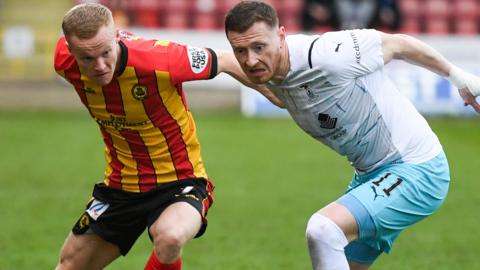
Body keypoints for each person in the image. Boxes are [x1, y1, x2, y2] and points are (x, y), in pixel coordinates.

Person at [225, 1, 480, 269]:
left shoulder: (327, 54)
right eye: (240, 50)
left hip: (417, 169)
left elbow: (398, 45)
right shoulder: (263, 72)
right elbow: (226, 61)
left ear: (280, 37)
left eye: (259, 48)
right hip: (371, 176)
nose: (250, 60)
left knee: (323, 230)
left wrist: (459, 77)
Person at [54, 3, 282, 270]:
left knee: (171, 236)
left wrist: (280, 100)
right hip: (119, 186)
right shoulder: (63, 61)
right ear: (70, 50)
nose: (100, 66)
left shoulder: (160, 59)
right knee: (69, 265)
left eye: (106, 53)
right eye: (87, 58)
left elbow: (228, 61)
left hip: (180, 181)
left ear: (117, 36)